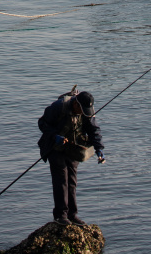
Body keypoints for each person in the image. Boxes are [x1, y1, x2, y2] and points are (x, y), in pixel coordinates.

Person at [37, 89, 105, 227]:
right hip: (54, 147)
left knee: (72, 181)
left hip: (72, 148)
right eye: (82, 109)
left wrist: (99, 149)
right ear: (76, 103)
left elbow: (94, 129)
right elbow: (42, 123)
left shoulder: (86, 112)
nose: (83, 113)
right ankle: (60, 216)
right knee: (61, 179)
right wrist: (55, 136)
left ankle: (72, 215)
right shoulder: (59, 107)